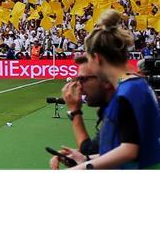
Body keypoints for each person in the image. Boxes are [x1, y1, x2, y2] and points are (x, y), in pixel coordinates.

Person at [60, 10, 160, 170]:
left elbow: (129, 151)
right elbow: (123, 147)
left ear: (97, 58)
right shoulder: (133, 87)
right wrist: (85, 158)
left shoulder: (130, 91)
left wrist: (82, 168)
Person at [49, 55, 114, 169]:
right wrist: (82, 159)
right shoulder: (112, 108)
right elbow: (101, 153)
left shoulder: (122, 110)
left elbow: (89, 150)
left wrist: (75, 111)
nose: (79, 87)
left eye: (83, 79)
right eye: (78, 79)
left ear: (106, 81)